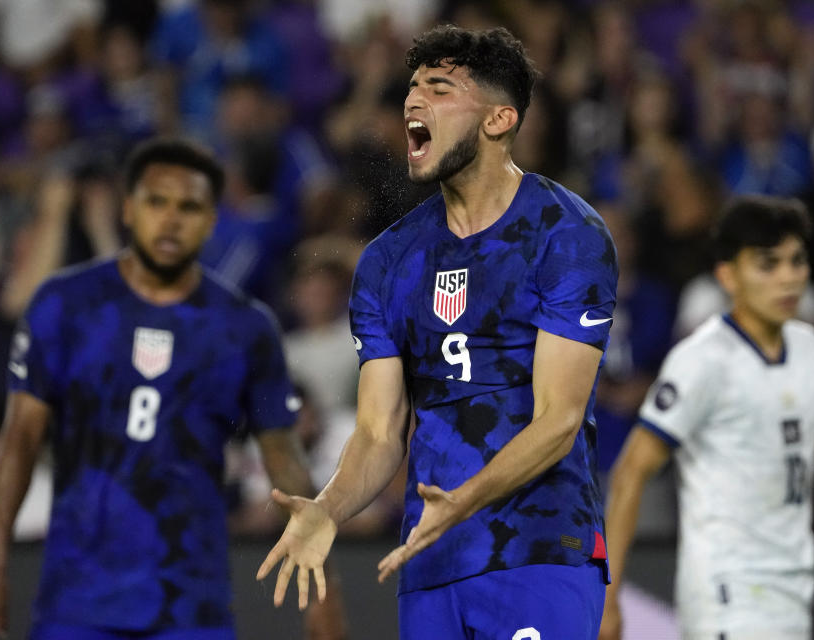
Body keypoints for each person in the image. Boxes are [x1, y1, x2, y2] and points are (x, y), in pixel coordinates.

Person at [257, 25, 619, 639]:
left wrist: (467, 498)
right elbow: (378, 430)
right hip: (430, 562)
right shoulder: (386, 261)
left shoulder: (567, 235)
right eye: (412, 87)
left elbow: (559, 419)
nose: (412, 101)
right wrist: (328, 509)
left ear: (499, 120)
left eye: (440, 87)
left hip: (538, 548)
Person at [0, 138, 345, 640]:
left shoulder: (243, 327)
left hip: (191, 604)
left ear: (213, 219)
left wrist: (323, 580)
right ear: (127, 208)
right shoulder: (65, 306)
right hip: (77, 601)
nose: (171, 220)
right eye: (156, 202)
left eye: (189, 206)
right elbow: (19, 440)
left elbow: (283, 457)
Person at [598, 196, 814, 640]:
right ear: (728, 275)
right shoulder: (702, 360)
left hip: (792, 593)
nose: (788, 278)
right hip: (724, 596)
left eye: (796, 262)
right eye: (768, 265)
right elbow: (630, 474)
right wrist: (608, 596)